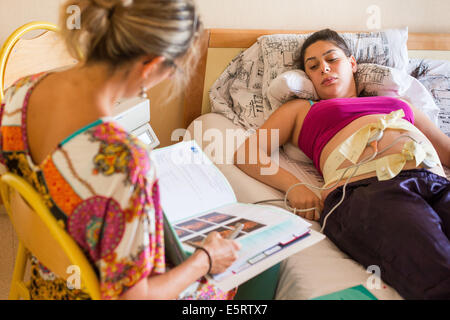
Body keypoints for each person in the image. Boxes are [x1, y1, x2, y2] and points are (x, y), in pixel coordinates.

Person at [0, 0, 241, 300]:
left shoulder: (19, 91)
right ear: (151, 65)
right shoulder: (126, 162)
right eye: (171, 71)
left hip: (48, 274)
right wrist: (204, 260)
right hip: (86, 291)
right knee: (226, 284)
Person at [234, 28, 450, 299]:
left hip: (435, 182)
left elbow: (446, 150)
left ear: (351, 63)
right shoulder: (302, 109)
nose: (323, 68)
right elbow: (248, 153)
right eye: (313, 66)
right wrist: (295, 186)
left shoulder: (398, 103)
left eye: (331, 59)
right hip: (369, 190)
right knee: (436, 265)